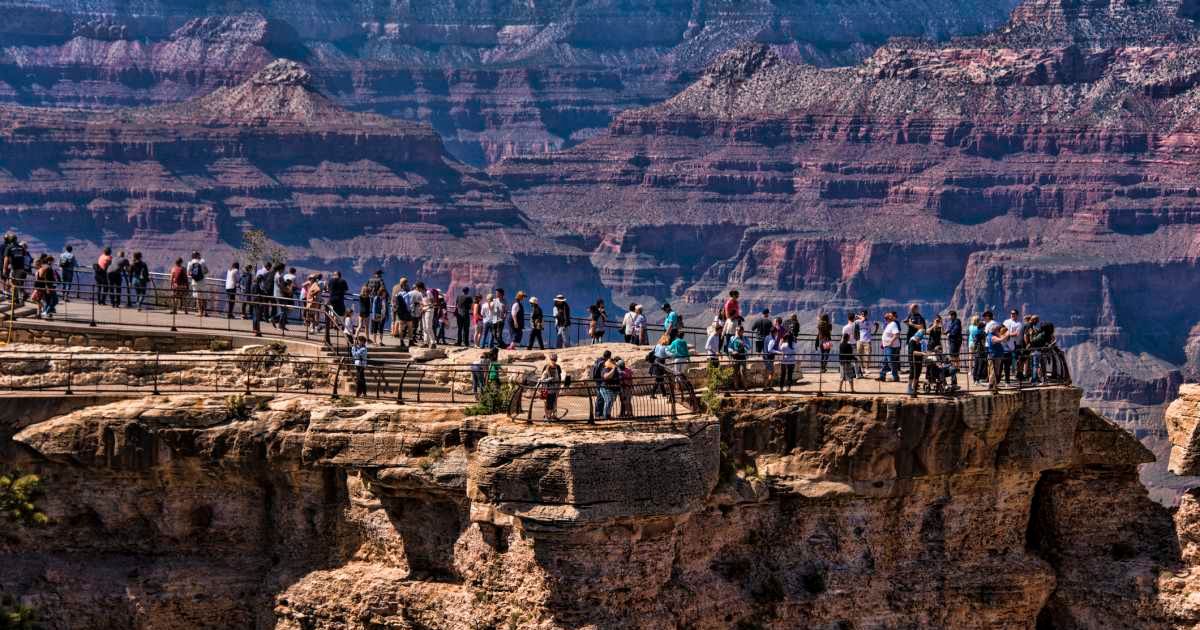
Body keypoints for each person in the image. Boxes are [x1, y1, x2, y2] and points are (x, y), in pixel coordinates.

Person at [987, 324, 1012, 391]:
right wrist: (1007, 334)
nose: (998, 331)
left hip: (997, 356)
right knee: (994, 372)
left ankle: (994, 386)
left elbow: (1002, 337)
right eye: (997, 330)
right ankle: (990, 385)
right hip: (994, 356)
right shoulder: (992, 337)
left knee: (996, 372)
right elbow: (1001, 339)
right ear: (994, 330)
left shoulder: (993, 335)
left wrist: (1005, 334)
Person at [539, 353, 564, 419]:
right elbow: (542, 378)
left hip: (555, 387)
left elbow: (559, 376)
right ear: (550, 359)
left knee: (554, 401)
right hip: (547, 388)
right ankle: (547, 415)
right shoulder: (546, 367)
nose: (553, 361)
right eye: (552, 359)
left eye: (555, 359)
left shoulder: (558, 367)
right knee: (546, 402)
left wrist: (559, 386)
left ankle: (554, 414)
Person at [878, 311, 901, 382]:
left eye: (890, 316)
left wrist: (890, 342)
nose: (888, 316)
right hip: (887, 346)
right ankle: (882, 376)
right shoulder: (889, 324)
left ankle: (896, 377)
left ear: (893, 317)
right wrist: (883, 342)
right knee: (885, 362)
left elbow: (897, 334)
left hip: (892, 347)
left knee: (891, 362)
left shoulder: (893, 324)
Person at [1003, 309, 1024, 383]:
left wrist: (1007, 334)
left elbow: (1016, 334)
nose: (1012, 314)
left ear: (1017, 315)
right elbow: (1002, 330)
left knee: (1016, 360)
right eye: (1011, 313)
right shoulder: (1006, 321)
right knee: (1006, 362)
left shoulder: (1019, 324)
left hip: (1015, 345)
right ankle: (1006, 377)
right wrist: (1007, 334)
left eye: (1014, 313)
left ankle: (1016, 374)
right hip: (1005, 345)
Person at [726, 326, 750, 391]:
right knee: (735, 372)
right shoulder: (732, 338)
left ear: (742, 331)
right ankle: (736, 387)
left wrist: (744, 344)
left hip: (742, 356)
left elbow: (749, 347)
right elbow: (729, 347)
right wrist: (732, 351)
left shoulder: (745, 338)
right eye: (736, 330)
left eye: (739, 330)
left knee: (743, 372)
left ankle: (745, 387)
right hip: (735, 357)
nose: (737, 331)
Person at [903, 303, 925, 372]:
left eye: (912, 309)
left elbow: (921, 327)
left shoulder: (919, 317)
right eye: (910, 309)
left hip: (916, 341)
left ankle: (915, 374)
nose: (910, 310)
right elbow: (909, 324)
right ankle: (912, 372)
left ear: (916, 309)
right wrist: (907, 324)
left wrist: (912, 324)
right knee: (910, 358)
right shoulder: (910, 315)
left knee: (915, 359)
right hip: (909, 340)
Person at [186, 252, 209, 317]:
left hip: (195, 282)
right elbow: (207, 271)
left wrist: (193, 274)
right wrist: (202, 273)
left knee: (198, 298)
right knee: (204, 297)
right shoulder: (202, 262)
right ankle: (205, 312)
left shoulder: (190, 263)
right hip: (202, 281)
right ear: (198, 255)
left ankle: (200, 312)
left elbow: (188, 273)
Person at [591, 350, 613, 418]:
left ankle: (599, 413)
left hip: (597, 380)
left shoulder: (598, 360)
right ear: (608, 356)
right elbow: (603, 372)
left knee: (600, 397)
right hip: (600, 381)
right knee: (601, 397)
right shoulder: (603, 362)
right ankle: (598, 414)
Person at [649, 333, 671, 398]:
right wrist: (674, 354)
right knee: (658, 379)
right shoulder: (664, 347)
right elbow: (667, 354)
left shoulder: (657, 345)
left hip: (655, 362)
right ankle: (652, 394)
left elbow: (655, 352)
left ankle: (664, 393)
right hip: (660, 363)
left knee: (660, 379)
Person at [855, 310, 877, 376]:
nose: (863, 315)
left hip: (867, 341)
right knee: (859, 355)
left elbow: (876, 324)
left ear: (867, 315)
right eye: (862, 314)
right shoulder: (858, 321)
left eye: (864, 314)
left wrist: (875, 332)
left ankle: (866, 368)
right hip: (859, 340)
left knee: (867, 355)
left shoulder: (869, 322)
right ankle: (862, 368)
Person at [906, 324, 926, 396]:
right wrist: (922, 353)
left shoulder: (919, 342)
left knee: (917, 374)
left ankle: (914, 388)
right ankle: (909, 388)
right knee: (912, 373)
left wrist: (924, 353)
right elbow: (913, 352)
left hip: (919, 360)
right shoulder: (912, 341)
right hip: (913, 359)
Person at [968, 315, 987, 385]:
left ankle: (970, 371)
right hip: (979, 348)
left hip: (971, 342)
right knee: (980, 363)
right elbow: (983, 341)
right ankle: (978, 379)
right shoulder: (979, 330)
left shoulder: (970, 327)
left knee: (971, 358)